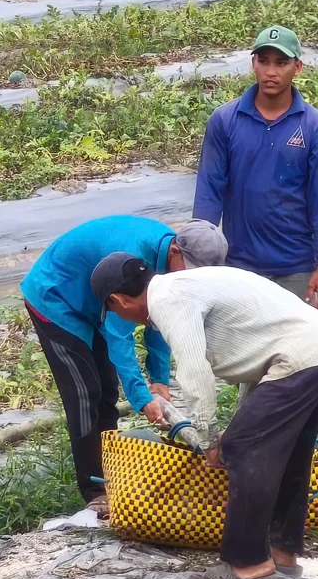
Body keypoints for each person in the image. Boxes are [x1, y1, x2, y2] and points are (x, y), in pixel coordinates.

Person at [93, 254, 318, 579]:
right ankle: (282, 553)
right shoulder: (186, 284)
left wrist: (210, 438)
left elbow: (194, 372)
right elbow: (258, 359)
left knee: (243, 451)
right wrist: (240, 423)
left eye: (114, 311)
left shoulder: (169, 300)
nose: (121, 317)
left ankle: (248, 564)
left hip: (302, 357)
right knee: (289, 456)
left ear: (118, 300)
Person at [20, 218, 228, 517]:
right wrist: (142, 397)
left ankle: (111, 473)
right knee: (85, 393)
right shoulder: (131, 261)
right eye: (192, 270)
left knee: (107, 390)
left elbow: (158, 318)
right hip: (58, 298)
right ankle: (95, 491)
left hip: (100, 304)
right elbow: (120, 334)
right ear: (175, 252)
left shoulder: (170, 266)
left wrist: (159, 380)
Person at [193, 24, 318, 308]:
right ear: (253, 64)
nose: (270, 71)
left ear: (297, 67)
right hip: (239, 265)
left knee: (296, 348)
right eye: (263, 61)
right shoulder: (225, 121)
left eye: (281, 63)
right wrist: (201, 258)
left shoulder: (314, 127)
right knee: (241, 346)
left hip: (297, 267)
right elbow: (209, 192)